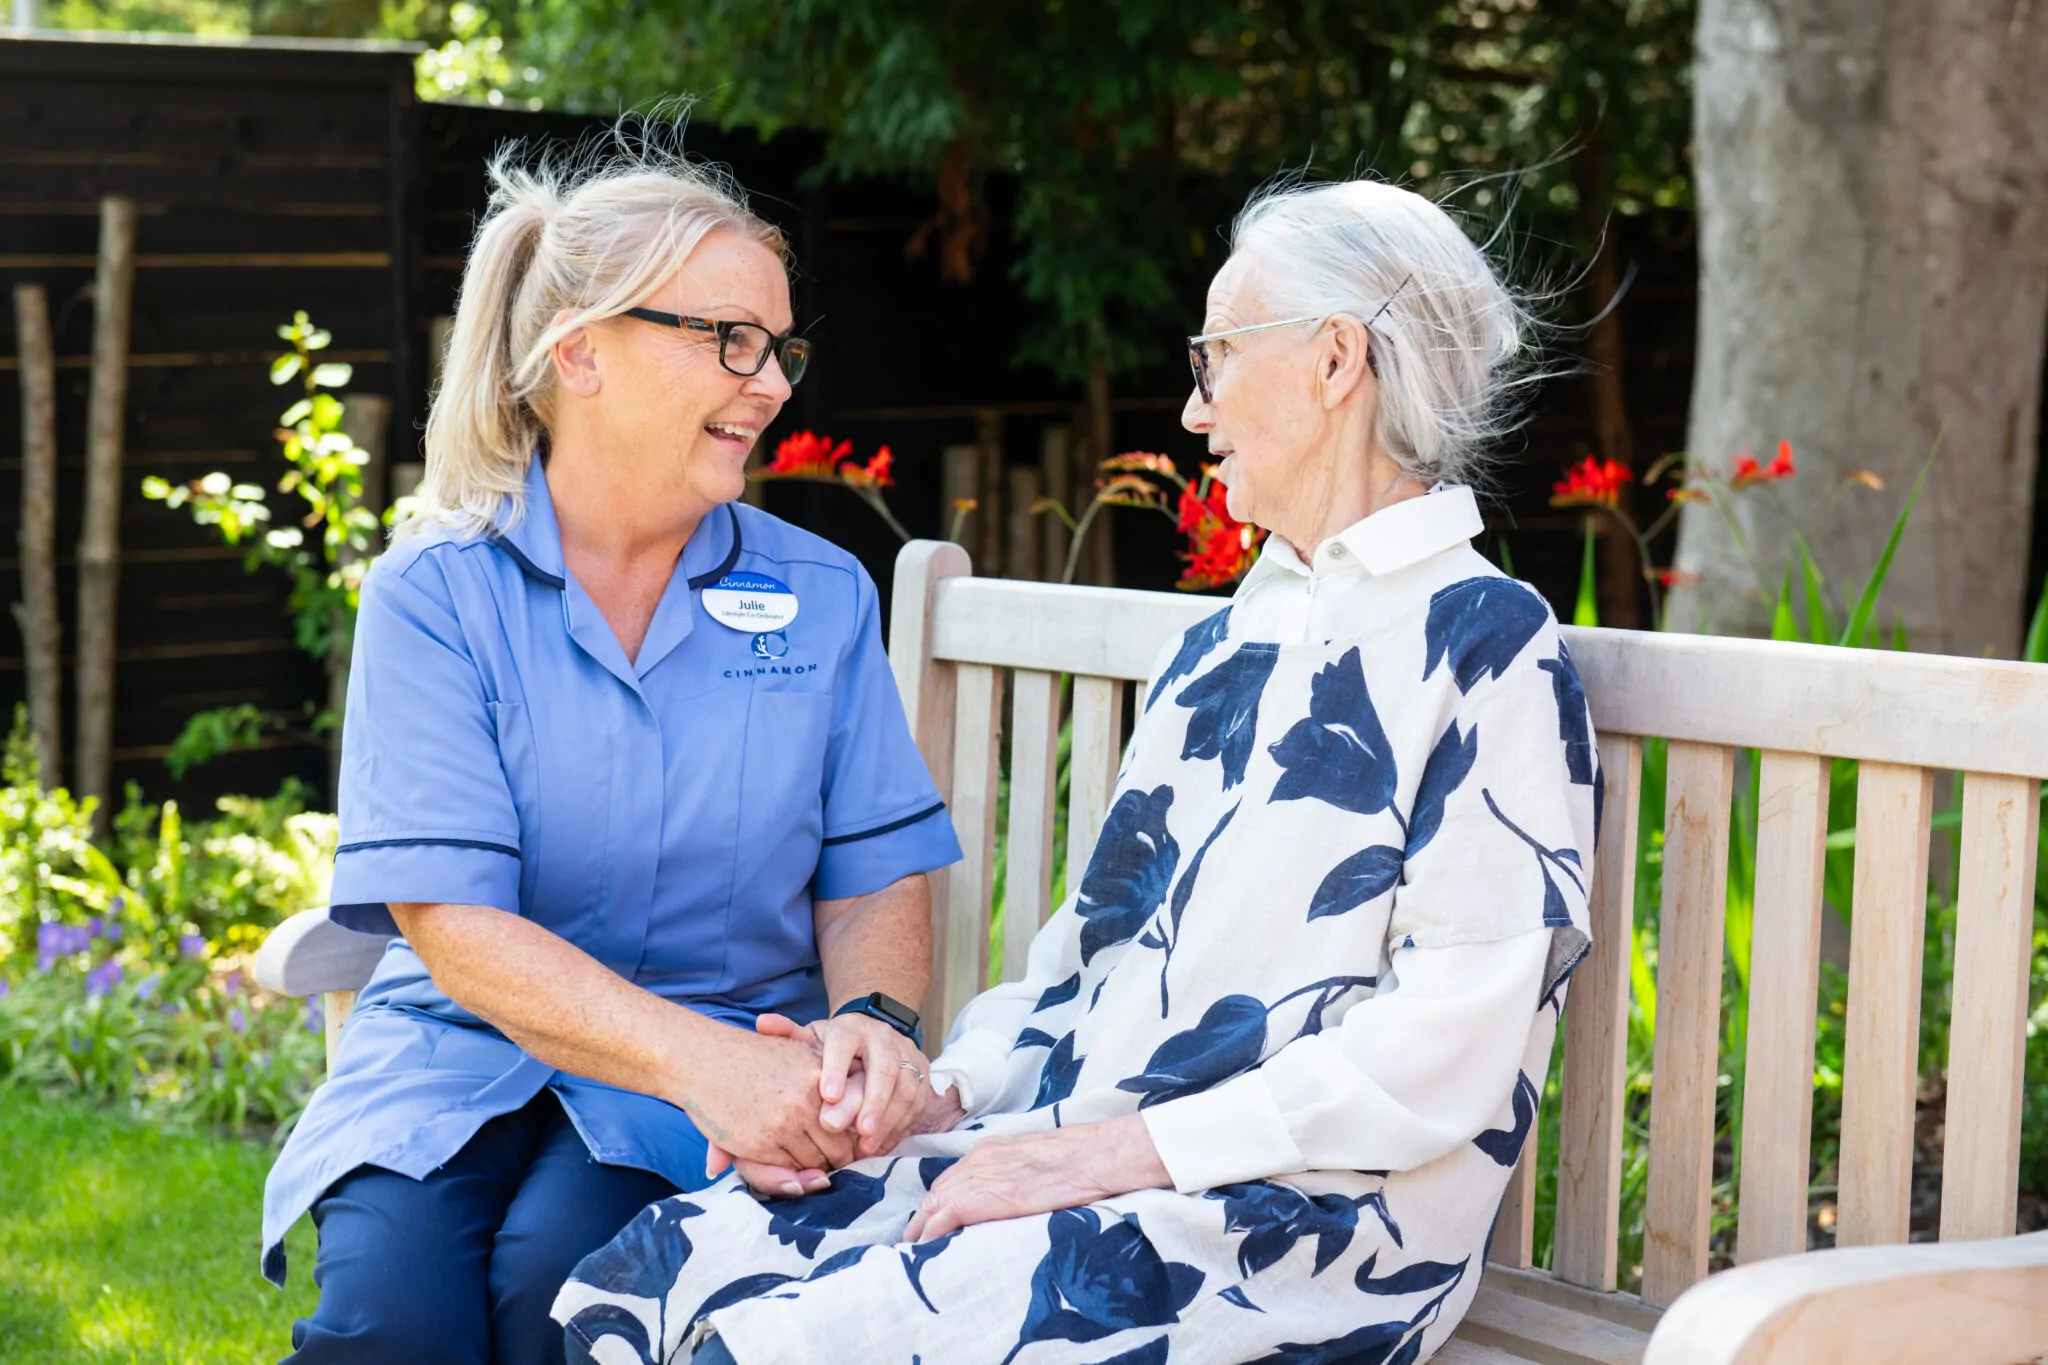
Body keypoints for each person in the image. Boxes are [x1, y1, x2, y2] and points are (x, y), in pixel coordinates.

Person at [554, 176, 1600, 1365]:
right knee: (667, 1268)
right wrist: (932, 1100)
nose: (1195, 413)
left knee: (810, 1338)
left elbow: (1445, 1051)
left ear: (1331, 362)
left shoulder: (1484, 645)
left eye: (1213, 360)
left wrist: (1100, 1157)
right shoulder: (1218, 649)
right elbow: (1091, 963)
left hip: (1299, 1222)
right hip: (1099, 1158)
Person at [260, 134, 962, 1365]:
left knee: (564, 1289)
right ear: (578, 351)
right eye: (727, 339)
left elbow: (874, 868)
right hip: (458, 1050)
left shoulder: (822, 596)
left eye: (780, 347)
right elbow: (450, 924)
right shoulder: (435, 594)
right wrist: (706, 1072)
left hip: (738, 1055)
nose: (772, 383)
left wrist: (874, 1022)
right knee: (391, 1321)